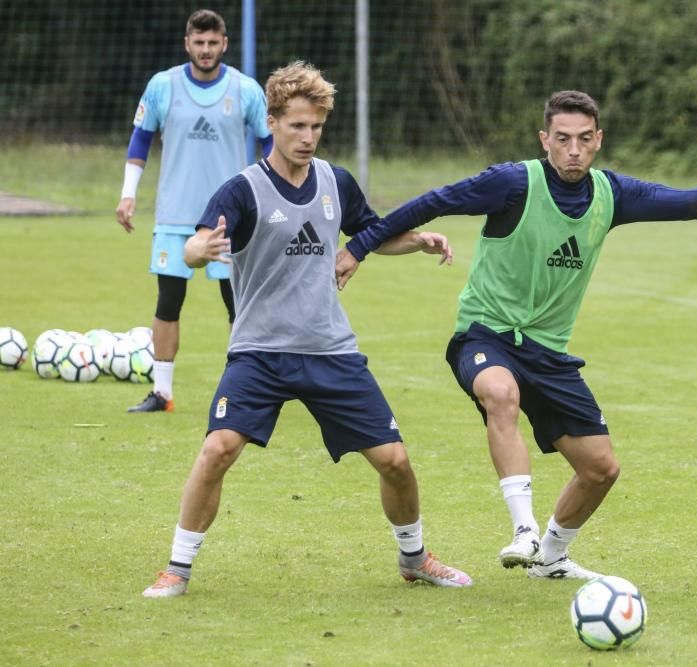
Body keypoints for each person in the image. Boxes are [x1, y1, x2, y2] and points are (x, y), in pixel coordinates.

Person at [335, 90, 697, 580]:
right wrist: (359, 246)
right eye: (562, 138)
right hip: (486, 334)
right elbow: (432, 202)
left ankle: (550, 556)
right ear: (544, 140)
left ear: (598, 140)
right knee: (499, 392)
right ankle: (524, 529)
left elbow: (693, 202)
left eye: (583, 139)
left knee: (601, 469)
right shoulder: (512, 183)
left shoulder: (611, 194)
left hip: (548, 352)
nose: (572, 149)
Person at [141, 61, 471, 598]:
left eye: (316, 126)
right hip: (259, 352)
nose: (308, 137)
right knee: (217, 449)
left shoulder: (334, 182)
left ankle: (414, 558)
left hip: (329, 350)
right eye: (297, 125)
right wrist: (198, 250)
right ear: (272, 122)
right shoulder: (242, 190)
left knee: (396, 461)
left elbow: (372, 232)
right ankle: (176, 569)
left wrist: (418, 241)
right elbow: (196, 245)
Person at [116, 9, 272, 414]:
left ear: (224, 44)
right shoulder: (162, 86)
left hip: (229, 219)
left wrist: (272, 194)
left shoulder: (246, 90)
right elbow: (140, 140)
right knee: (168, 302)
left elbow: (269, 143)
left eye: (212, 43)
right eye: (198, 43)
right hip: (175, 216)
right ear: (188, 44)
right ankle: (162, 394)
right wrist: (128, 194)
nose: (206, 50)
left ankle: (245, 392)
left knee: (238, 306)